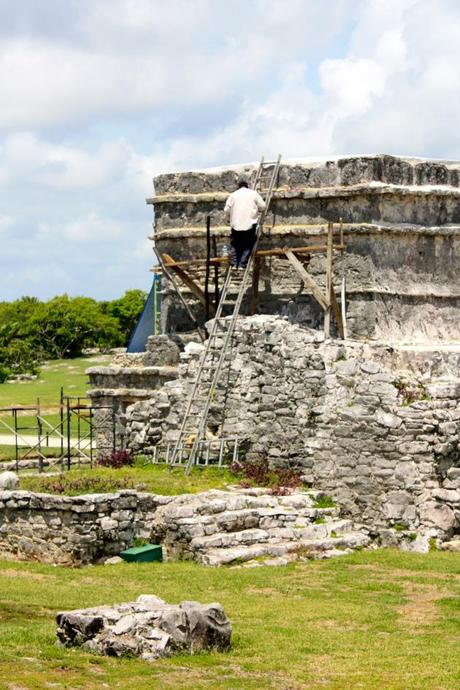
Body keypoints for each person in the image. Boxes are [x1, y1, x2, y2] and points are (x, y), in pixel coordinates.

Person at [224, 178, 266, 269]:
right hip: (249, 224)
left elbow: (226, 210)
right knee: (248, 244)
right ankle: (243, 264)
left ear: (238, 187)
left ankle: (235, 264)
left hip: (235, 224)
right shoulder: (253, 193)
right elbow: (263, 206)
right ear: (247, 186)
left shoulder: (233, 195)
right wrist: (256, 210)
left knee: (235, 244)